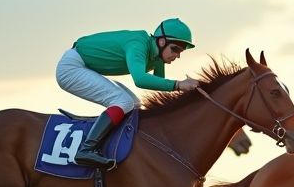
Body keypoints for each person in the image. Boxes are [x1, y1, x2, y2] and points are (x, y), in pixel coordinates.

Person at [56, 18, 199, 169]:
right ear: (161, 42)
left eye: (180, 52)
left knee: (135, 103)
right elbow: (140, 80)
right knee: (123, 101)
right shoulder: (138, 44)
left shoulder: (157, 55)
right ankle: (86, 150)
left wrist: (189, 93)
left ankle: (109, 143)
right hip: (71, 68)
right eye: (175, 49)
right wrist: (179, 85)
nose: (177, 56)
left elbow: (158, 82)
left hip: (85, 67)